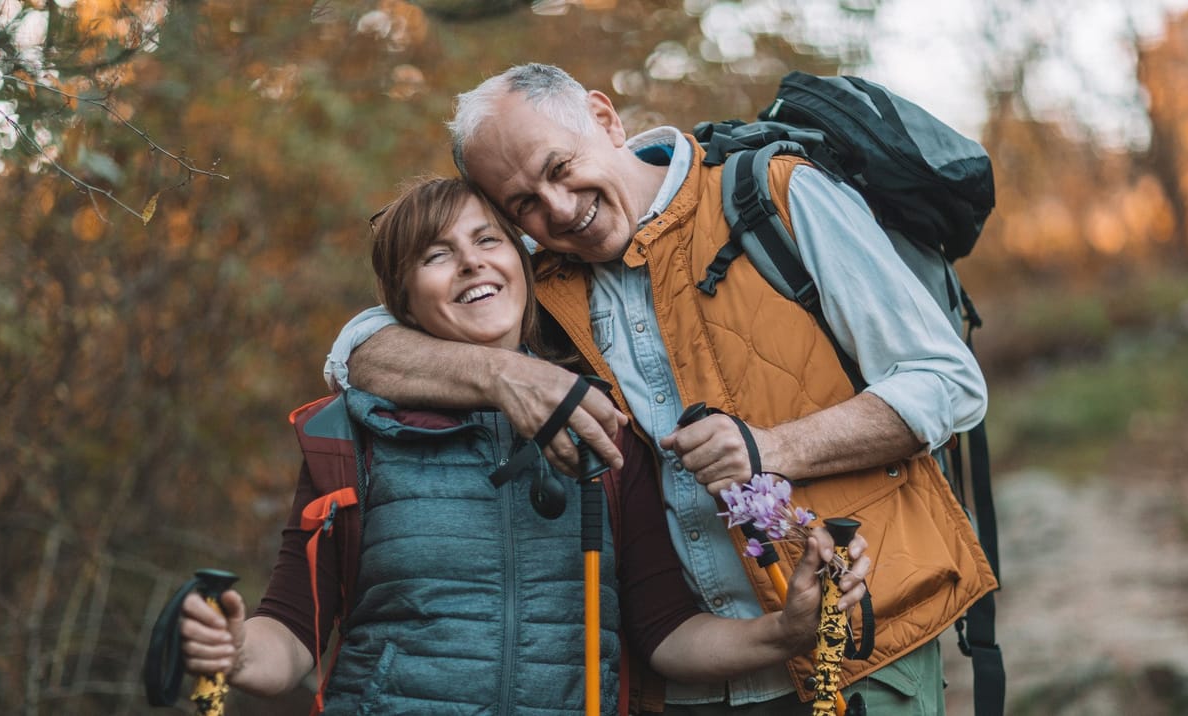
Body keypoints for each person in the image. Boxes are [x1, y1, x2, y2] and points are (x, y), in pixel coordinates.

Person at [323, 64, 999, 715]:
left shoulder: (777, 196)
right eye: (523, 203)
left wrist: (773, 448)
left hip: (853, 645)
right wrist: (508, 374)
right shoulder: (539, 275)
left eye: (561, 168)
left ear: (603, 117)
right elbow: (358, 350)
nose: (559, 209)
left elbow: (946, 382)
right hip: (675, 685)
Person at [179, 176, 870, 715]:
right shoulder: (348, 437)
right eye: (435, 255)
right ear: (404, 302)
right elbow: (291, 639)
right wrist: (233, 649)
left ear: (521, 263)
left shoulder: (606, 430)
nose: (471, 266)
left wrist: (785, 634)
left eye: (488, 241)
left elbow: (665, 636)